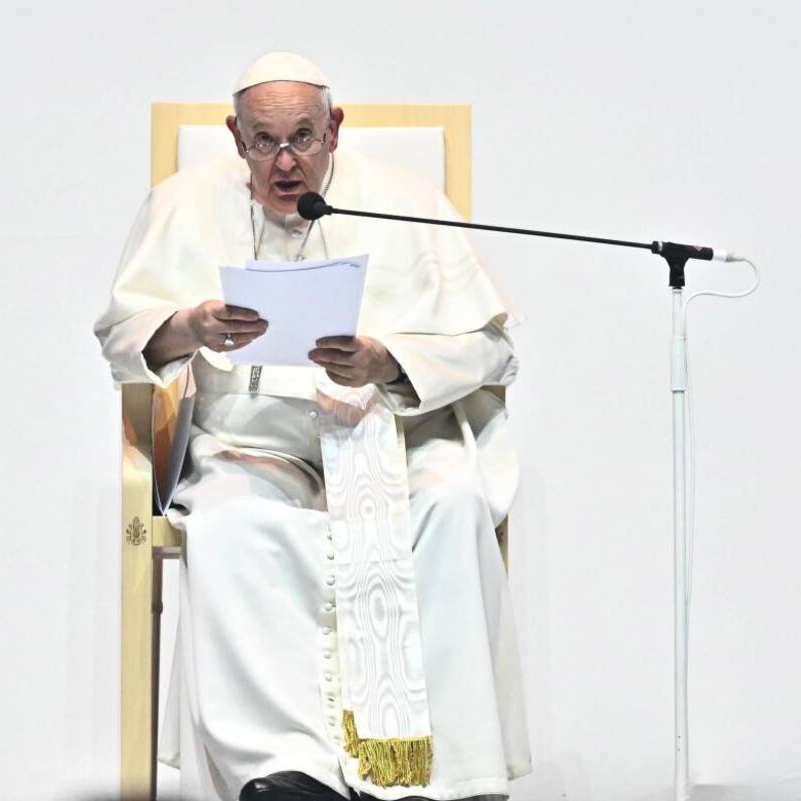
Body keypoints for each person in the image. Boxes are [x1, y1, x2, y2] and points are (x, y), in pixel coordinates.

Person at [94, 52, 532, 801]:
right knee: (230, 523)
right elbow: (120, 336)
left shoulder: (408, 200)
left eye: (303, 136)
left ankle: (434, 776)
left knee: (452, 501)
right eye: (265, 142)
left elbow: (493, 347)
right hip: (251, 446)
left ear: (336, 128)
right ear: (236, 138)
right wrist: (189, 323)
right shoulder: (182, 203)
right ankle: (283, 769)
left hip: (394, 437)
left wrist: (388, 360)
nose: (287, 162)